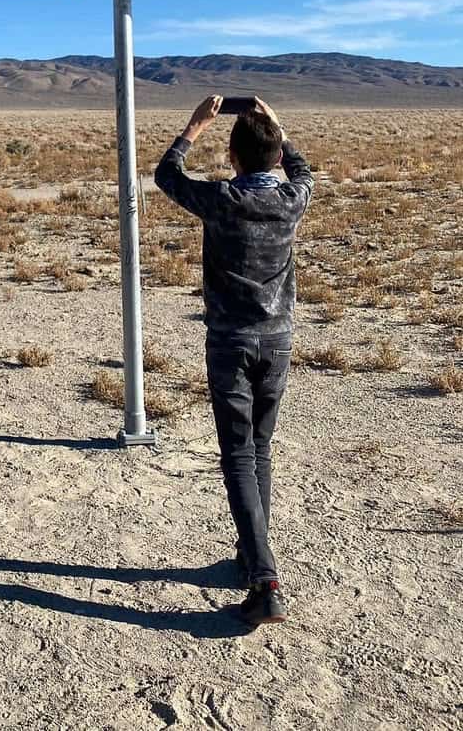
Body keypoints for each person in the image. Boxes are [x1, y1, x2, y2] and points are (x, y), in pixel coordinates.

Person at [154, 95, 313, 627]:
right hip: (278, 341)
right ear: (274, 156)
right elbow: (303, 170)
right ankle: (250, 554)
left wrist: (193, 128)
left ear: (233, 156)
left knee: (238, 455)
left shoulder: (222, 199)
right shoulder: (292, 199)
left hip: (230, 343)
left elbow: (166, 175)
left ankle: (264, 580)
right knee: (259, 449)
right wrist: (280, 130)